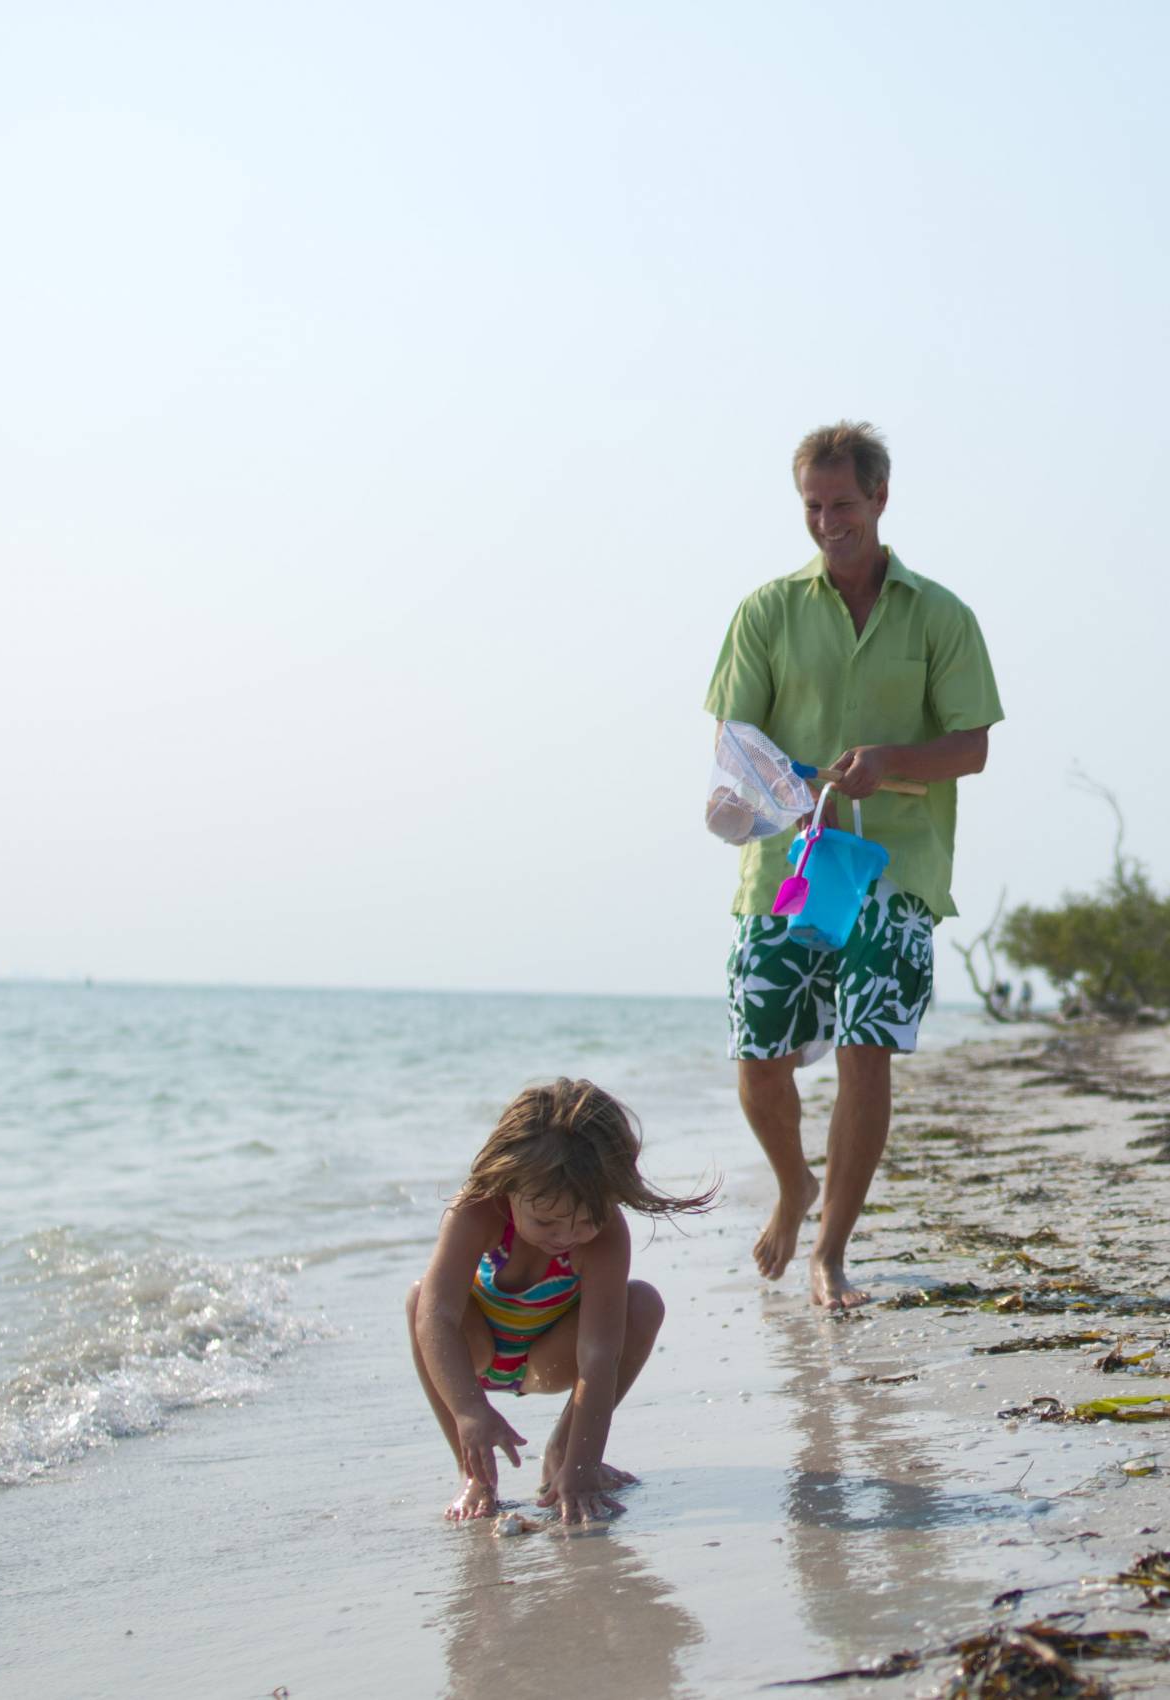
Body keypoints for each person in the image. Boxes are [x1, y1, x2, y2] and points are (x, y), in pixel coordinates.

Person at [704, 420, 1003, 1311]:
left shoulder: (942, 614)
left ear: (879, 498)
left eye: (843, 504)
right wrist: (754, 796)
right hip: (787, 867)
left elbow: (973, 747)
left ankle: (830, 1250)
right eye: (813, 506)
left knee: (867, 1049)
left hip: (895, 868)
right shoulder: (765, 612)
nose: (829, 521)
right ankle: (795, 1184)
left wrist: (890, 761)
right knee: (761, 1052)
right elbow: (733, 740)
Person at [404, 1078, 715, 1522]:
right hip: (476, 1354)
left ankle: (561, 1455)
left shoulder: (606, 1235)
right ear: (507, 1186)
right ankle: (475, 1477)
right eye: (547, 1221)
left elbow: (598, 1356)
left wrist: (583, 1466)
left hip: (550, 1358)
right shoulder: (476, 1211)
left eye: (586, 1220)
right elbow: (437, 1316)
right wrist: (469, 1408)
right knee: (420, 1302)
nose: (566, 1237)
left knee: (643, 1303)